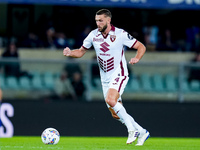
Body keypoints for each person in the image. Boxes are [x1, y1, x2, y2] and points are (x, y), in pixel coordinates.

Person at [63, 9, 149, 146]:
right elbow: (80, 52)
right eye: (96, 20)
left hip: (119, 73)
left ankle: (132, 130)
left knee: (111, 99)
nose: (98, 23)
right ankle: (142, 132)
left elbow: (141, 46)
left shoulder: (120, 34)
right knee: (116, 113)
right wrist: (70, 53)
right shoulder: (93, 35)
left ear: (108, 20)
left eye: (101, 20)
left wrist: (137, 58)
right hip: (105, 78)